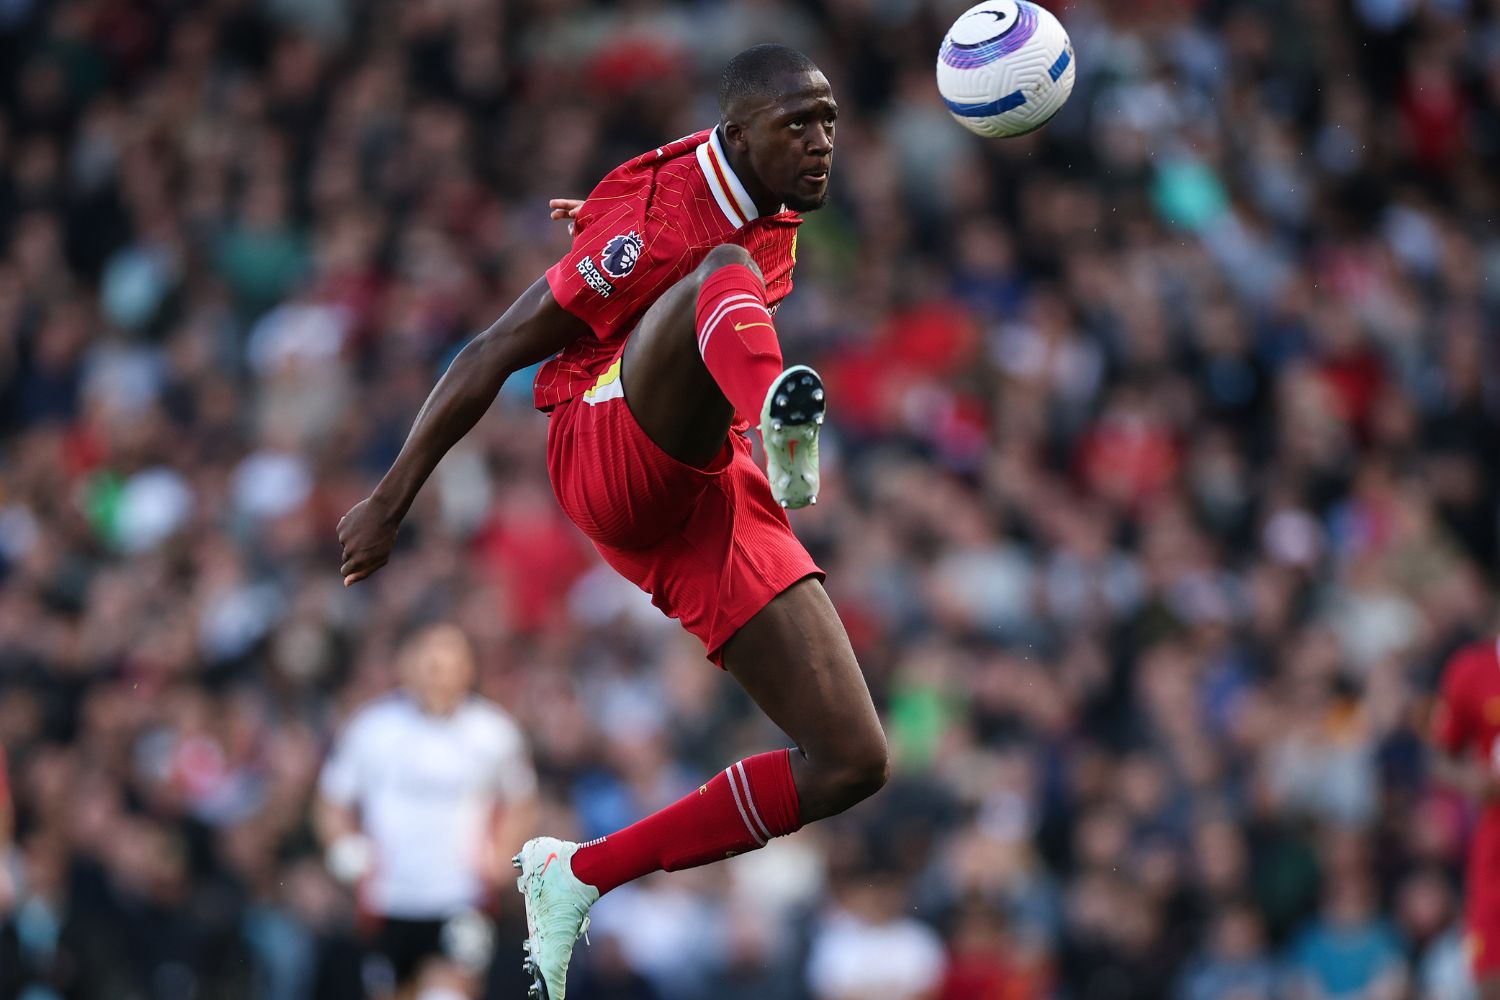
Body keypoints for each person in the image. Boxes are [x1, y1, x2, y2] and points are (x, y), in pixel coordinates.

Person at [336, 43, 889, 1000]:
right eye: (797, 124)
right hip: (601, 447)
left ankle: (576, 875)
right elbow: (491, 350)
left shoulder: (761, 191)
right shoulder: (656, 225)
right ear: (743, 133)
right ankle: (775, 413)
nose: (820, 142)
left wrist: (598, 206)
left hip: (711, 484)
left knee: (852, 761)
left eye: (828, 120)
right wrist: (391, 498)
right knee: (721, 269)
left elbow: (681, 156)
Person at [316, 624, 539, 1000]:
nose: (438, 668)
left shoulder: (494, 733)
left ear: (469, 667)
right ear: (406, 664)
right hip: (387, 897)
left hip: (461, 896)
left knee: (450, 992)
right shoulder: (372, 728)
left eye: (449, 658)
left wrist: (501, 854)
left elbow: (523, 801)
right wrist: (343, 848)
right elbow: (331, 801)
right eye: (429, 657)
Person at [1431, 636, 1500, 999]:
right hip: (1495, 840)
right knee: (1491, 973)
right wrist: (1471, 781)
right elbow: (1441, 758)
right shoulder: (1472, 669)